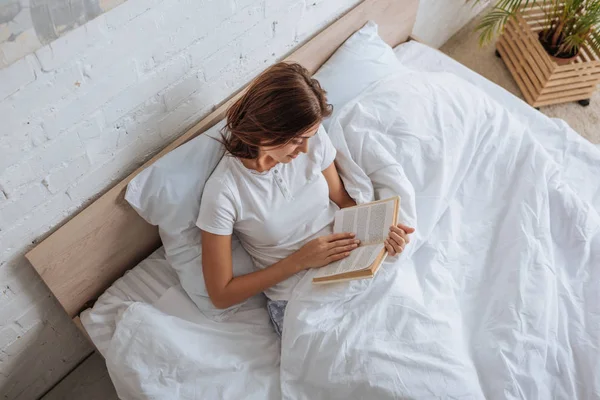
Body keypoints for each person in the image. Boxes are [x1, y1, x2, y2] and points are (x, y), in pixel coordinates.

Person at [197, 62, 414, 336]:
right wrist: (300, 260)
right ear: (265, 127)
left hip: (347, 267)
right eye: (297, 139)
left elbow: (343, 200)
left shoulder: (311, 139)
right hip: (297, 298)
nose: (306, 148)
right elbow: (221, 294)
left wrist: (381, 236)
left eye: (310, 137)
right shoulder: (224, 192)